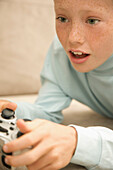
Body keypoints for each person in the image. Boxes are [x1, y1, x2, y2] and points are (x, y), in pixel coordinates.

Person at [1, 0, 113, 169]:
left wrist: (77, 141)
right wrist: (9, 110)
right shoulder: (62, 52)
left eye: (92, 21)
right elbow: (47, 111)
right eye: (62, 19)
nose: (72, 38)